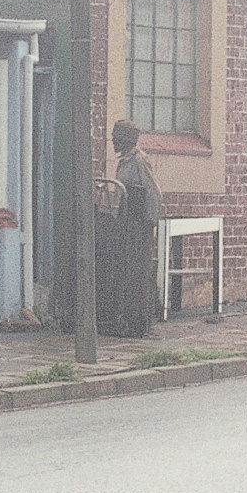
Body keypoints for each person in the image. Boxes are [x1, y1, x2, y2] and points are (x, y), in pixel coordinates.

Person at [99, 117, 162, 339]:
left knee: (137, 272)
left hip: (138, 224)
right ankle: (126, 320)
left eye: (116, 137)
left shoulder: (139, 161)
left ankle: (139, 322)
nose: (113, 140)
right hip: (126, 223)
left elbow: (152, 192)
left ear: (126, 139)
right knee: (125, 272)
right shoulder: (124, 161)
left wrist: (147, 224)